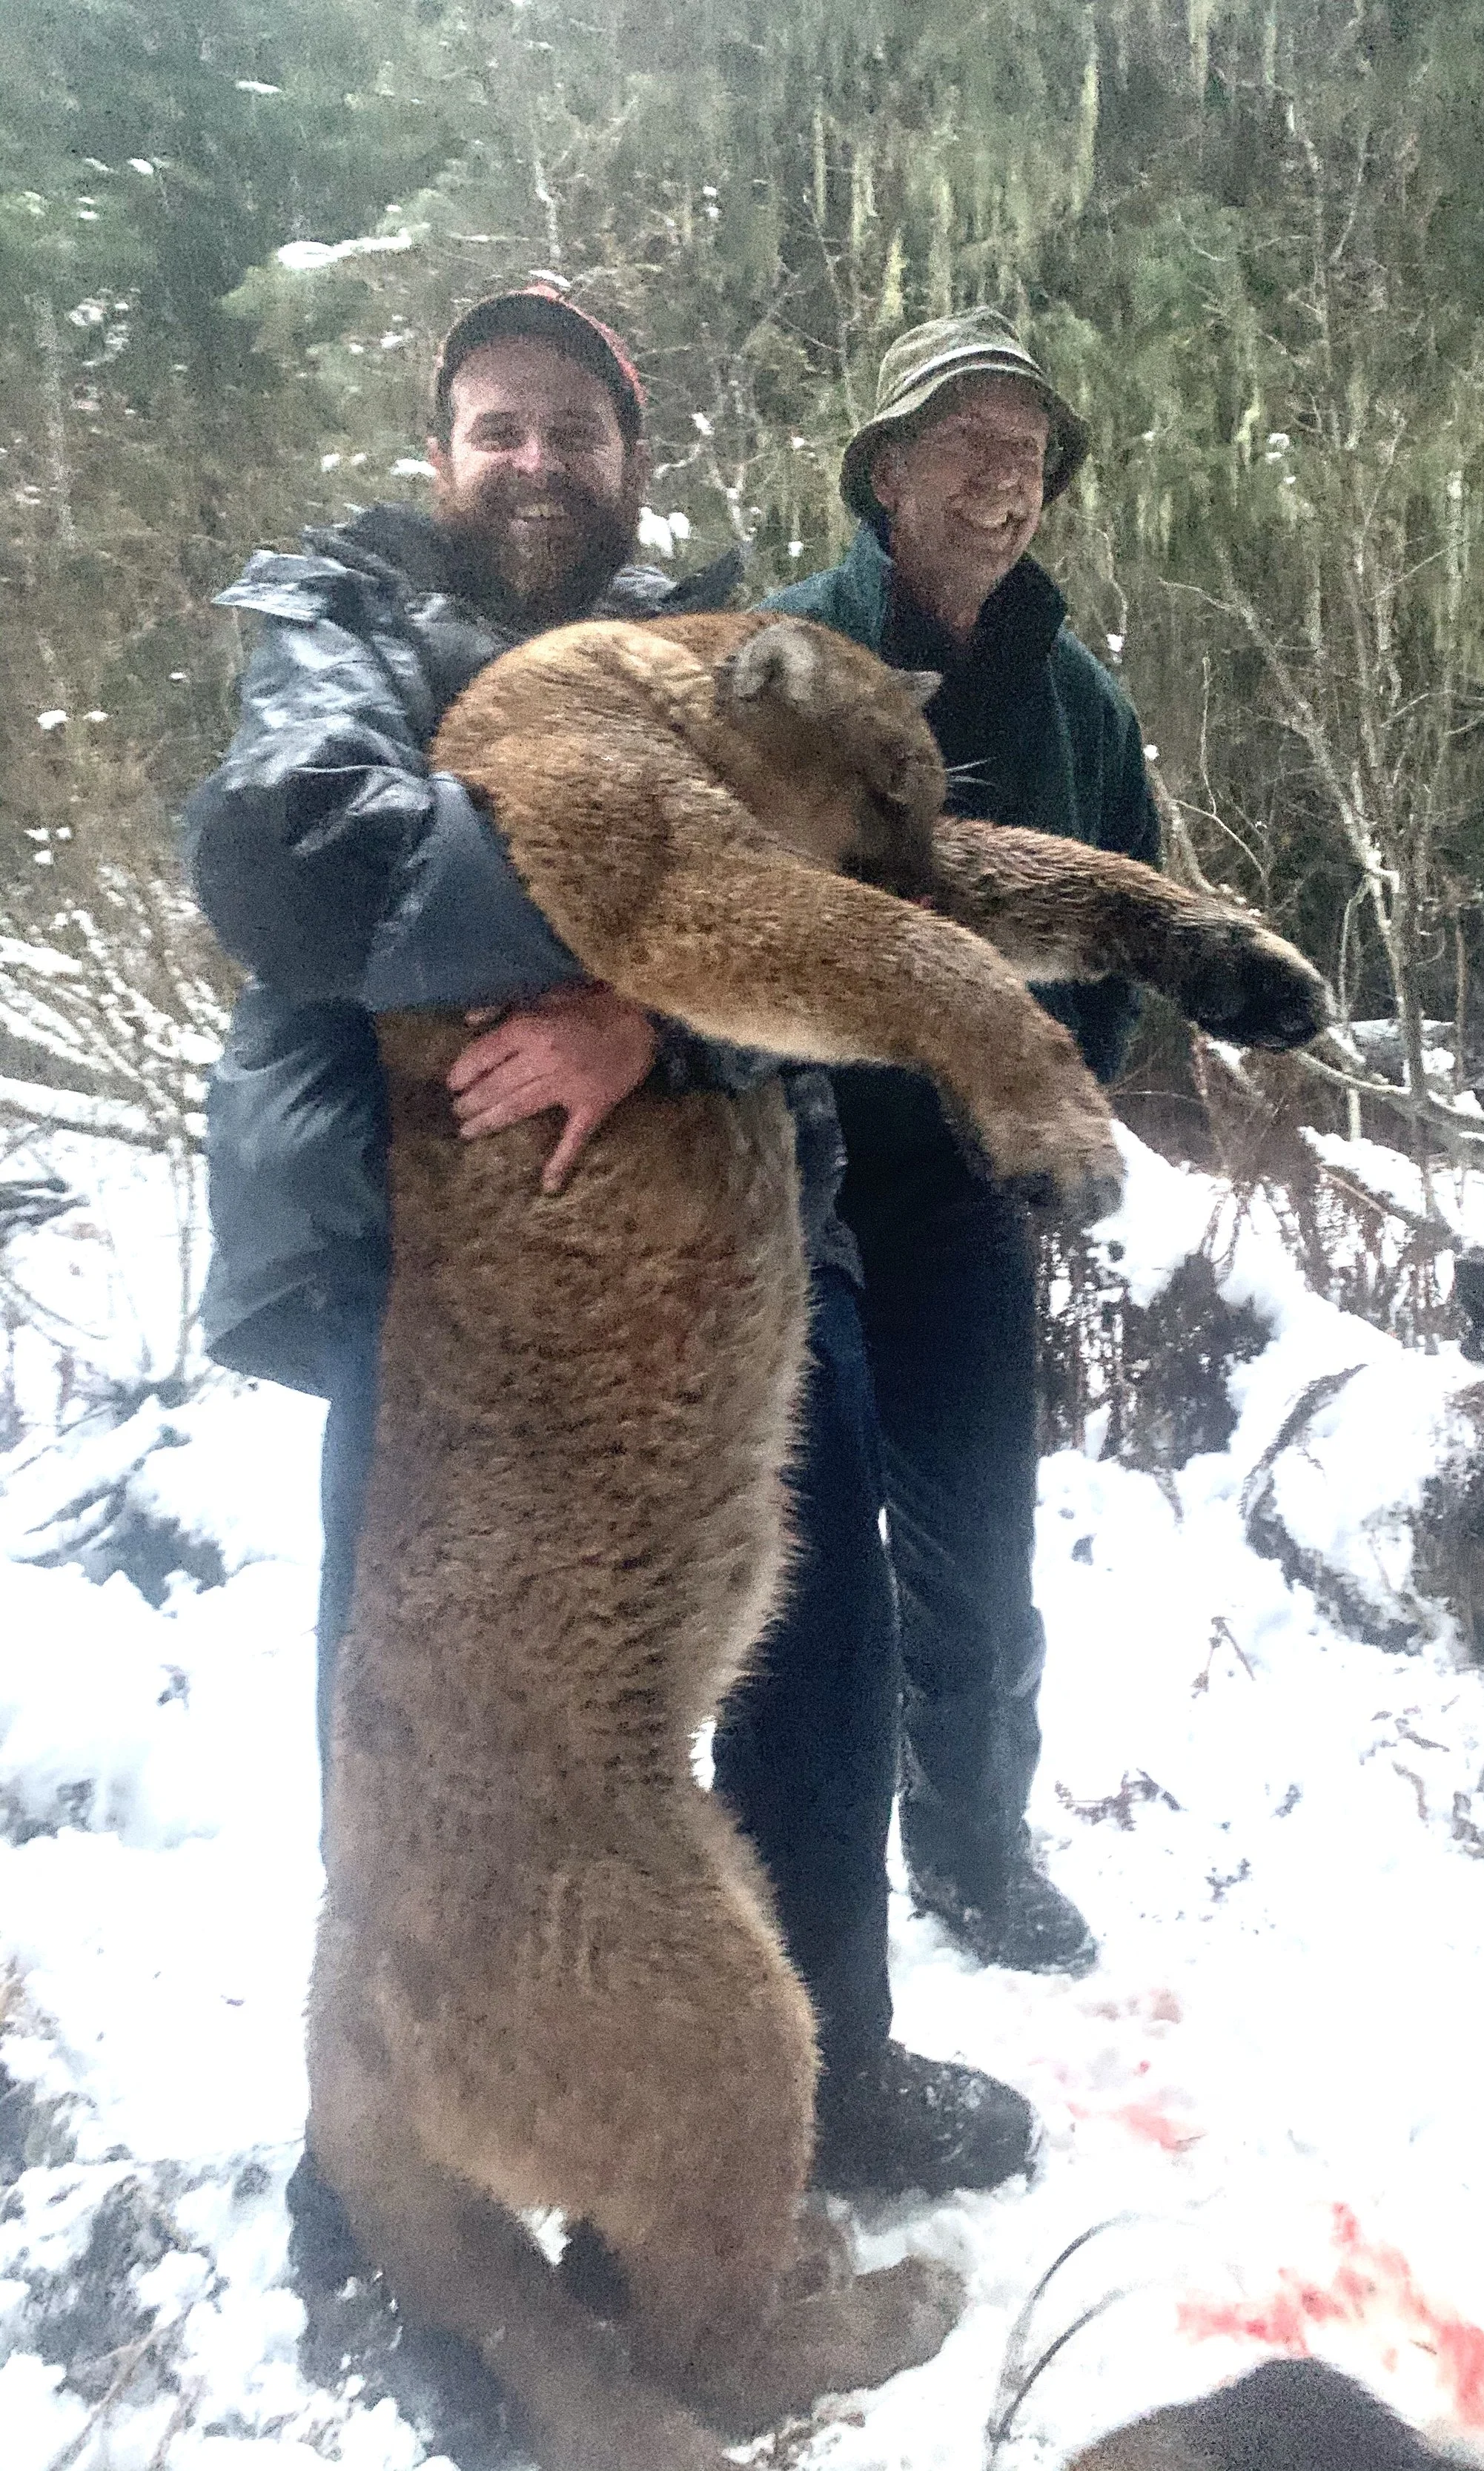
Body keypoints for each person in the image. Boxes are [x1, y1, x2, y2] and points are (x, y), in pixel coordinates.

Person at [185, 285, 1035, 2198]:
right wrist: (647, 922)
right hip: (455, 1302)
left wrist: (651, 1016)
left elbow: (835, 909)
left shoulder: (718, 652)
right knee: (426, 1728)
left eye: (576, 426)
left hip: (732, 1263)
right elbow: (302, 864)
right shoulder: (344, 625)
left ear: (631, 460)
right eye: (499, 424)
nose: (539, 459)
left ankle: (829, 2062)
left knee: (820, 1654)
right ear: (440, 454)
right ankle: (386, 2153)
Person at [755, 310, 1162, 1979]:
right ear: (884, 470)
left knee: (980, 1566)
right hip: (784, 1181)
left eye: (1026, 458)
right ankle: (795, 1897)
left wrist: (1066, 1102)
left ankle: (976, 1855)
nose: (1000, 484)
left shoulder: (1078, 700)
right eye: (965, 447)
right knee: (798, 1582)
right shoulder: (780, 656)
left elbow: (1130, 908)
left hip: (957, 1192)